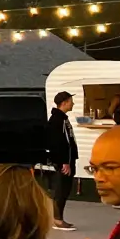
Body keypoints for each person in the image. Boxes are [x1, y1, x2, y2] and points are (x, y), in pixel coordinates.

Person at [48, 91, 80, 231]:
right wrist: (64, 162)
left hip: (67, 160)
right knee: (61, 189)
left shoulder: (62, 118)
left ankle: (59, 217)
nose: (73, 103)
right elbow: (60, 143)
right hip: (64, 161)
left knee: (65, 189)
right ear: (64, 102)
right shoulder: (57, 120)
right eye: (71, 101)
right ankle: (57, 220)